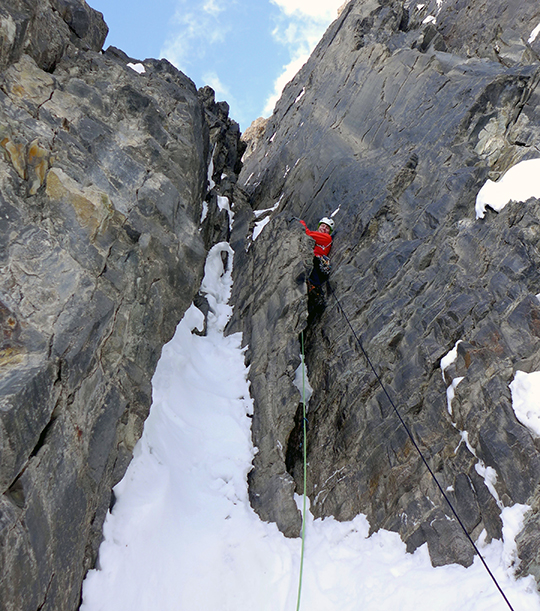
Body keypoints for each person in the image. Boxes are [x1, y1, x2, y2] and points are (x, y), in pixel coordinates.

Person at [297, 217, 335, 318]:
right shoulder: (317, 236)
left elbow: (307, 234)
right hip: (309, 263)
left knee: (312, 259)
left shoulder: (326, 238)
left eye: (327, 228)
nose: (324, 228)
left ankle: (315, 288)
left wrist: (301, 222)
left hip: (316, 265)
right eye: (323, 225)